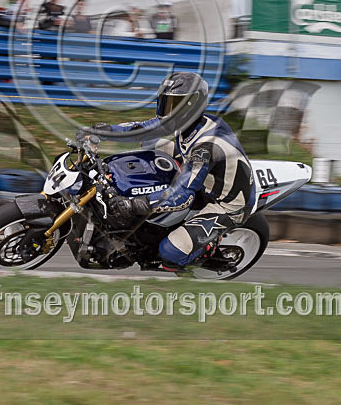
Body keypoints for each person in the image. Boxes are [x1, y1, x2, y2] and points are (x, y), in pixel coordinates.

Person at [90, 72, 257, 271]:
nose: (168, 111)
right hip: (202, 172)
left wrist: (136, 204)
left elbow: (182, 195)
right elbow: (142, 129)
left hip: (226, 203)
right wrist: (104, 131)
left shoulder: (206, 147)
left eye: (175, 105)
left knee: (169, 253)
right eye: (166, 103)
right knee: (149, 142)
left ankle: (206, 252)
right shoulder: (189, 124)